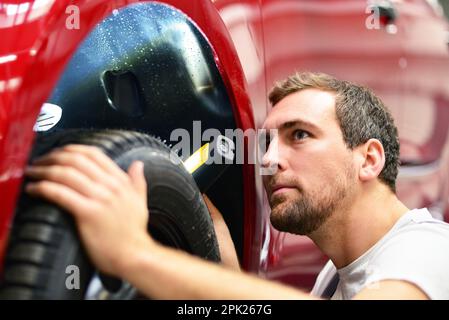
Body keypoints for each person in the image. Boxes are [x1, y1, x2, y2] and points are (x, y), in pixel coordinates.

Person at [24, 72, 449, 299]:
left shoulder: (429, 249)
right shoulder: (337, 277)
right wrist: (226, 271)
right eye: (267, 142)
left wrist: (135, 255)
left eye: (299, 135)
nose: (266, 160)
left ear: (369, 159)